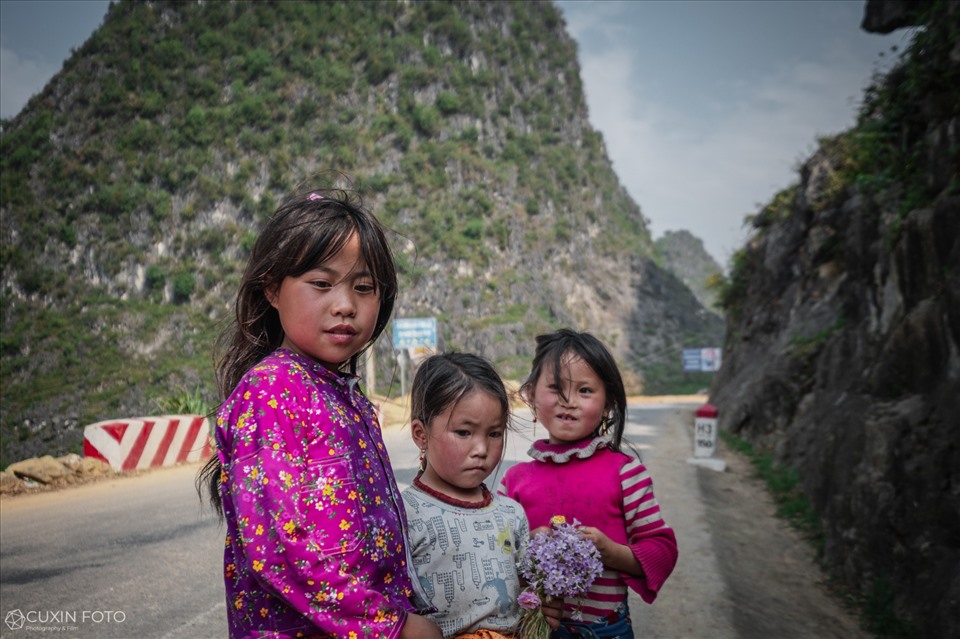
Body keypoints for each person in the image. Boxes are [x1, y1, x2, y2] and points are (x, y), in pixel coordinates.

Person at [196, 185, 441, 639]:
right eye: (322, 284)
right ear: (272, 289)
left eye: (363, 287)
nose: (345, 304)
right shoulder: (272, 391)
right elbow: (279, 549)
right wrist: (390, 625)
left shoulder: (344, 395)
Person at [499, 329, 678, 639]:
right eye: (555, 388)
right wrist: (527, 548)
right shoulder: (513, 481)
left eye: (584, 390)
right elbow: (495, 556)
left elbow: (661, 550)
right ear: (530, 394)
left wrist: (609, 552)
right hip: (532, 627)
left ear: (608, 403)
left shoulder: (626, 473)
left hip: (605, 630)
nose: (568, 402)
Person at [401, 352, 561, 639]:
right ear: (421, 434)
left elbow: (526, 595)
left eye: (494, 433)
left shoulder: (511, 514)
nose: (481, 449)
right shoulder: (403, 513)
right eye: (464, 432)